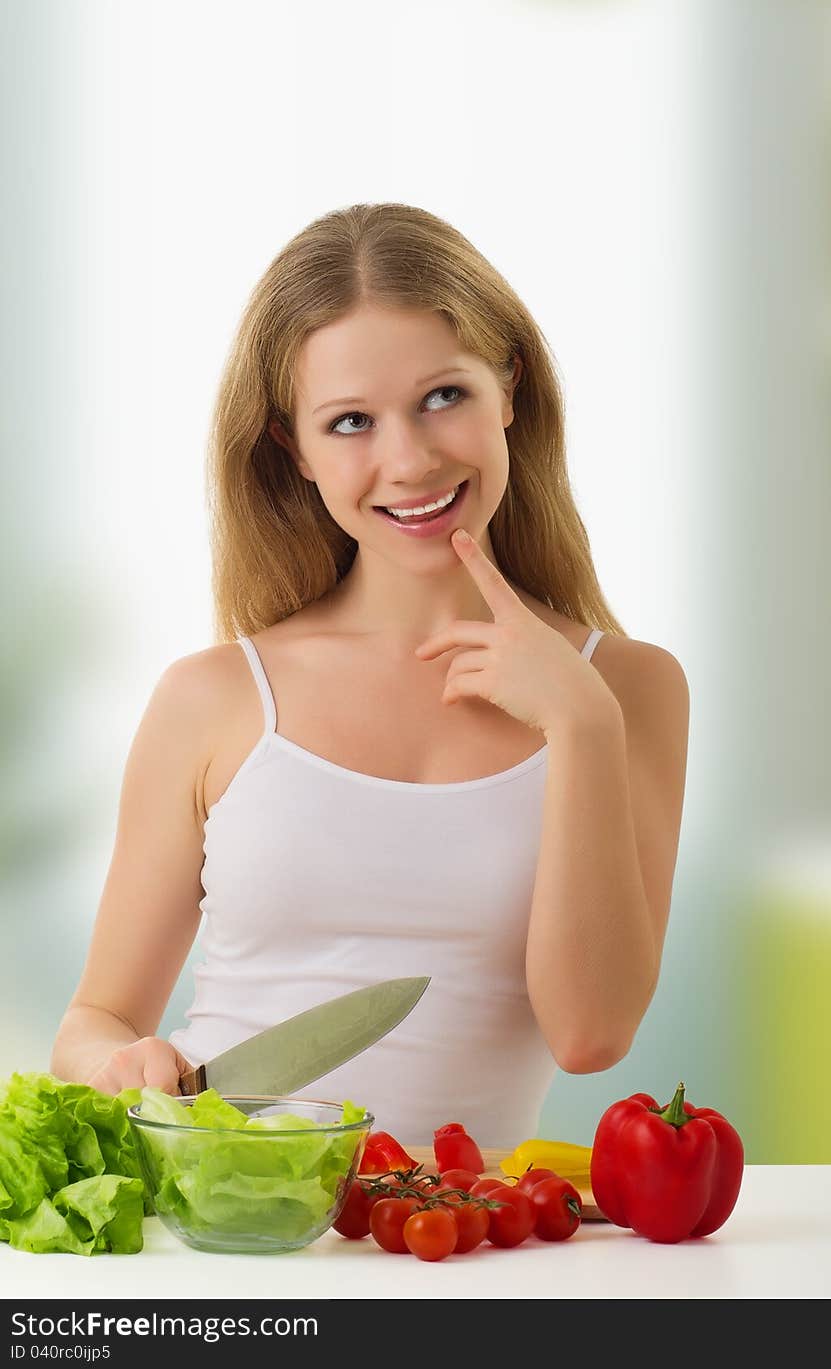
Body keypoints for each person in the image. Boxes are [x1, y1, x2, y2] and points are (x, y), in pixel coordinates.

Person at [50, 203, 690, 1149]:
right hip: (229, 1227)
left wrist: (582, 728)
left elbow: (592, 1035)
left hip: (464, 1249)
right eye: (350, 421)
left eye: (443, 396)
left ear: (508, 386)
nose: (410, 459)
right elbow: (93, 1019)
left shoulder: (626, 690)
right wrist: (120, 1063)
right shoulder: (214, 699)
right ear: (293, 451)